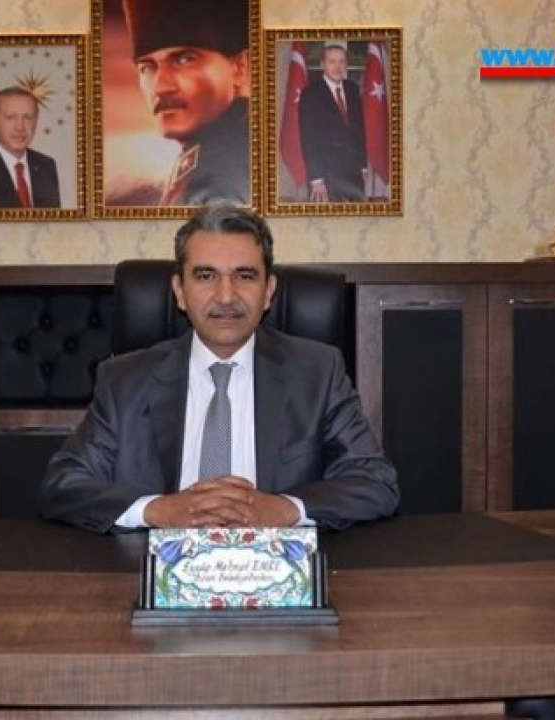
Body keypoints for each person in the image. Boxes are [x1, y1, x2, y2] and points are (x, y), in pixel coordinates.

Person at [39, 204, 399, 534]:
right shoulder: (124, 381)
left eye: (244, 275)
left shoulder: (318, 373)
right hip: (155, 571)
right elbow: (63, 484)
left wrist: (285, 509)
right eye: (206, 275)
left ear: (269, 290)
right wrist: (157, 510)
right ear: (179, 291)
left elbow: (375, 482)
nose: (226, 296)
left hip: (275, 572)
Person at [120, 0, 250, 205]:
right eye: (147, 67)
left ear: (239, 68)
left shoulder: (227, 169)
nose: (160, 87)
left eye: (185, 59)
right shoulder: (207, 155)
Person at [0, 87, 62, 209]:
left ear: (36, 122)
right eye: (10, 117)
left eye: (28, 117)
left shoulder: (46, 166)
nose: (20, 127)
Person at [298, 43, 368, 202]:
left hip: (354, 172)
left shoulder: (353, 89)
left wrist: (363, 166)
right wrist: (316, 179)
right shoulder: (310, 94)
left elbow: (359, 131)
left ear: (346, 64)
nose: (337, 67)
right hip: (326, 175)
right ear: (323, 64)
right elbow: (308, 139)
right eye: (332, 61)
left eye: (342, 62)